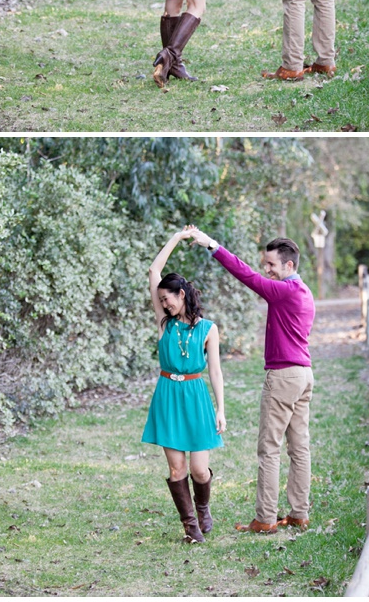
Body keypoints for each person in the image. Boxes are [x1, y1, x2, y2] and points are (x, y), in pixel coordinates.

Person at [186, 227, 314, 534]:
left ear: (289, 266)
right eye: (265, 263)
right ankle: (299, 513)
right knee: (299, 448)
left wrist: (212, 245)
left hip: (283, 376)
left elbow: (245, 275)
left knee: (269, 449)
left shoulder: (284, 291)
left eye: (271, 264)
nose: (266, 269)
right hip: (303, 375)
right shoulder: (305, 292)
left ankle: (266, 518)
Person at [142, 227, 226, 543]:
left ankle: (203, 509)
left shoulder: (208, 329)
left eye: (168, 299)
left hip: (196, 396)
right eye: (160, 300)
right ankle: (191, 528)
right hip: (167, 396)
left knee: (199, 471)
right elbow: (154, 270)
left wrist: (221, 409)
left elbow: (215, 372)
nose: (164, 304)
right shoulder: (163, 324)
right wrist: (177, 238)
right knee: (177, 471)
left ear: (182, 294)